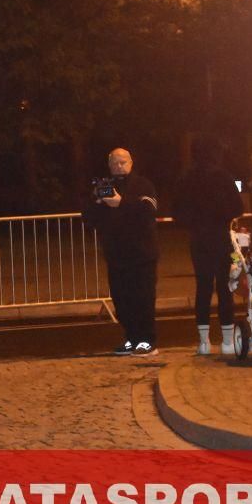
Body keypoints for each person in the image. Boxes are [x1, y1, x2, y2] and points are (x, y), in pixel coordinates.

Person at [83, 148, 159, 357]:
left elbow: (149, 210)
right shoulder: (104, 186)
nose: (119, 166)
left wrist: (121, 202)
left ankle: (146, 341)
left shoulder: (143, 185)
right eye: (115, 163)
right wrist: (98, 202)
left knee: (143, 299)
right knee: (122, 300)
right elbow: (88, 217)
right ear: (109, 165)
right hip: (116, 254)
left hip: (142, 254)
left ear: (131, 163)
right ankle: (131, 338)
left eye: (123, 162)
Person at [173, 139, 244, 355]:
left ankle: (204, 341)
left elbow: (177, 210)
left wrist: (193, 222)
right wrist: (221, 215)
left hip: (198, 239)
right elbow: (237, 207)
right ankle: (227, 341)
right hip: (220, 236)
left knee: (203, 288)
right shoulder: (223, 177)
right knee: (225, 288)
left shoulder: (186, 178)